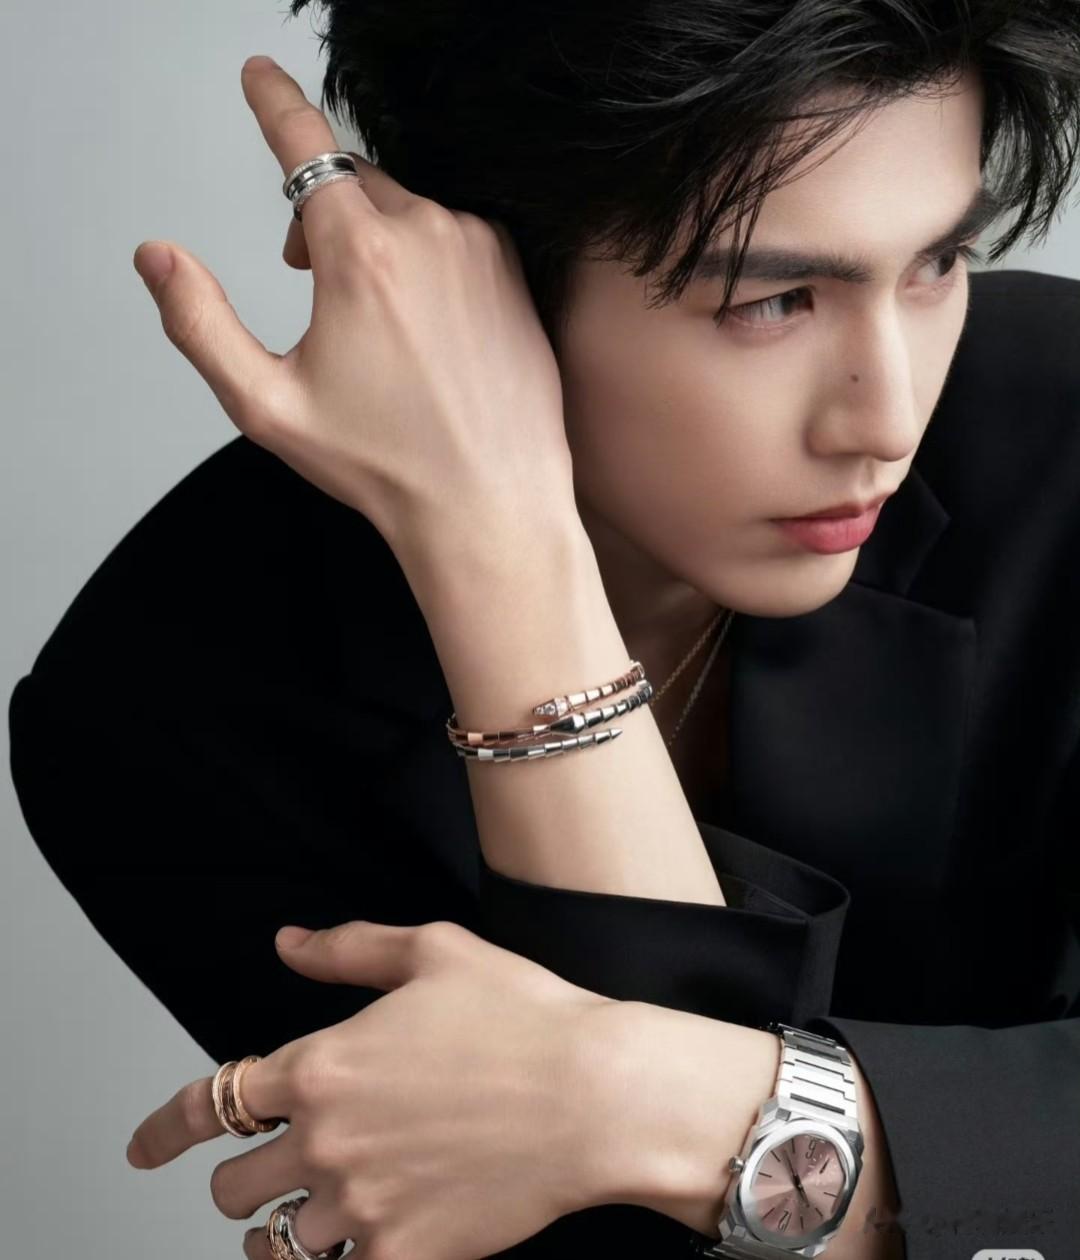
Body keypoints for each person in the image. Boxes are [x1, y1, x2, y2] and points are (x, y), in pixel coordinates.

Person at [8, 3, 1080, 1258]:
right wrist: (502, 551)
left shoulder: (1058, 438)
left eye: (937, 265)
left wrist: (648, 1106)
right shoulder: (169, 707)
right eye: (776, 300)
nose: (886, 417)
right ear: (480, 282)